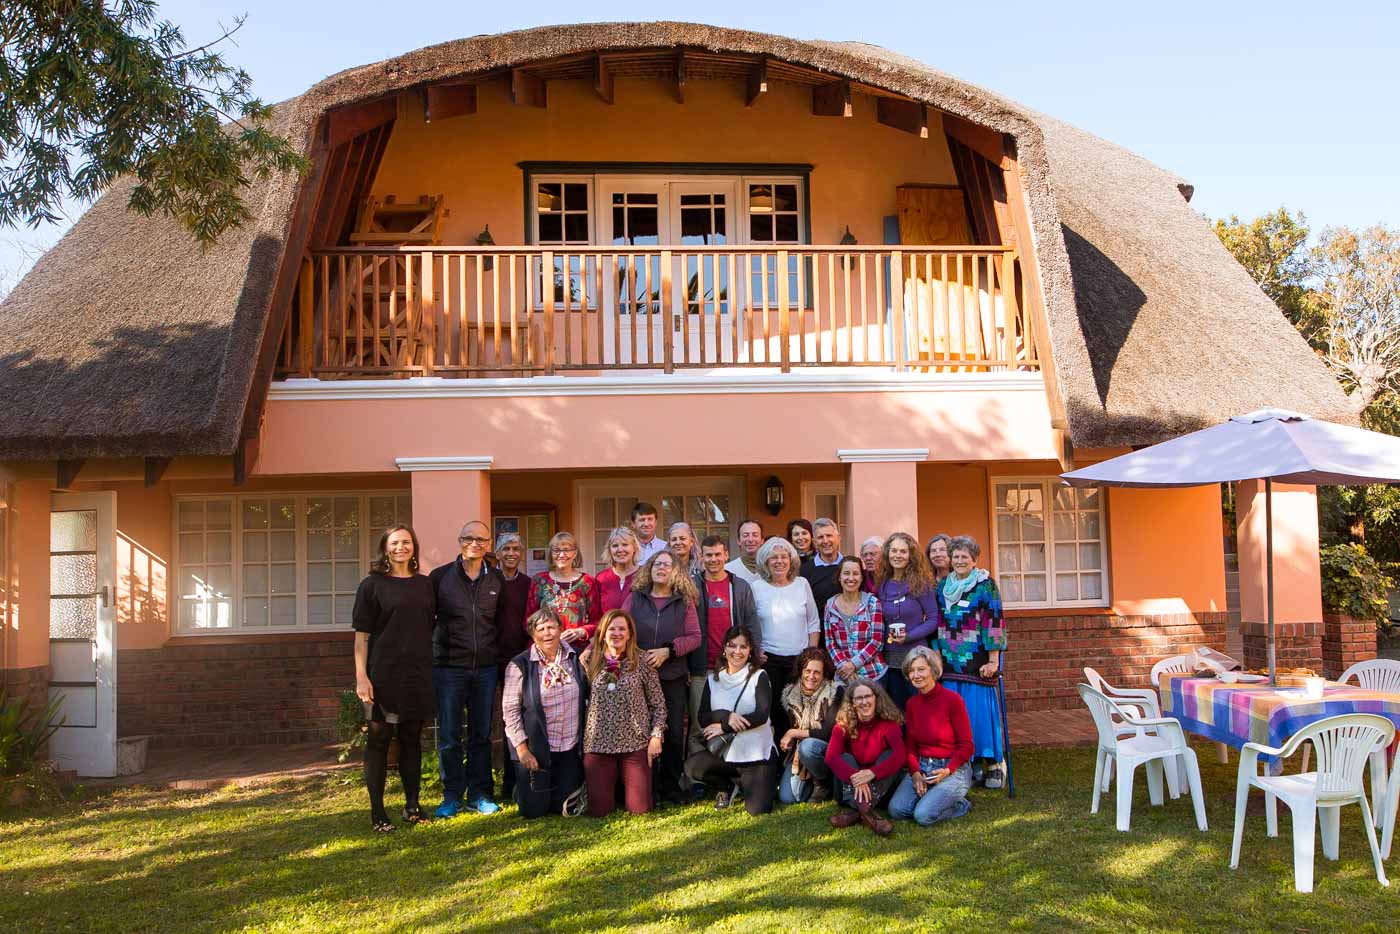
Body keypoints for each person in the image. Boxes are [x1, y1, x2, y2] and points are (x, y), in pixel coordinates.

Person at [352, 525, 436, 832]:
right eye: (395, 543)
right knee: (379, 740)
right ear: (385, 548)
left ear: (414, 547)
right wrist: (362, 677)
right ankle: (378, 812)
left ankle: (412, 806)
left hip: (418, 673)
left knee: (412, 739)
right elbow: (361, 638)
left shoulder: (426, 585)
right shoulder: (371, 585)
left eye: (407, 542)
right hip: (382, 674)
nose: (402, 547)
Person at [429, 519, 506, 818]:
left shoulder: (496, 580)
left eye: (481, 539)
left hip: (485, 669)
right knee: (449, 736)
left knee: (481, 735)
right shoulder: (440, 578)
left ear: (488, 544)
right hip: (449, 668)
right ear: (459, 541)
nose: (475, 543)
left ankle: (479, 793)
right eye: (469, 538)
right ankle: (451, 796)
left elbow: (499, 624)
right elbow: (428, 623)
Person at [623, 551, 702, 806]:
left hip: (672, 676)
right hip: (639, 677)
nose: (662, 568)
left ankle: (671, 788)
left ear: (675, 571)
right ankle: (647, 789)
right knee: (642, 732)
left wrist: (669, 650)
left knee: (675, 733)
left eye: (667, 565)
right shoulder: (636, 599)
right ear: (650, 568)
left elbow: (694, 637)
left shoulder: (685, 601)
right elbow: (619, 627)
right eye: (657, 564)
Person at [935, 535, 1008, 789]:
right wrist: (936, 657)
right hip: (950, 663)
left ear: (974, 560)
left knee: (979, 714)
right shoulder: (943, 586)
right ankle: (971, 761)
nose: (959, 560)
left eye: (965, 556)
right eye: (955, 556)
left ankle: (994, 763)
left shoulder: (985, 585)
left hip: (977, 661)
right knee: (958, 716)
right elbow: (937, 622)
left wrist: (993, 660)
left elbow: (994, 622)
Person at [503, 607, 589, 819]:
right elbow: (510, 711)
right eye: (541, 629)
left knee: (563, 807)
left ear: (561, 629)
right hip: (536, 749)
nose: (547, 633)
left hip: (569, 746)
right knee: (534, 811)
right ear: (533, 634)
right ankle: (520, 789)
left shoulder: (576, 658)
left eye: (552, 627)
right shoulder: (519, 665)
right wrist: (522, 750)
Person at [685, 625, 778, 815]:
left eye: (743, 647)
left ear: (750, 650)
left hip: (756, 754)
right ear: (724, 649)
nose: (737, 651)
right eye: (732, 646)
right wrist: (726, 716)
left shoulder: (759, 676)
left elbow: (761, 715)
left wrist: (724, 727)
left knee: (758, 809)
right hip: (727, 754)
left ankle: (750, 783)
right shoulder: (713, 680)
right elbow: (703, 717)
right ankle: (727, 786)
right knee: (692, 766)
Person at [582, 610, 666, 817]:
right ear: (602, 633)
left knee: (640, 809)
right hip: (599, 742)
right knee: (599, 810)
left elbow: (658, 704)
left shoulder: (643, 661)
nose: (616, 633)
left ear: (629, 634)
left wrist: (656, 735)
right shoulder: (589, 661)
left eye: (622, 629)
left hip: (634, 743)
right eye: (611, 629)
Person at [689, 536, 760, 769]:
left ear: (726, 555)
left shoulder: (740, 586)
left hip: (733, 667)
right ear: (701, 557)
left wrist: (754, 655)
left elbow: (751, 623)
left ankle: (730, 771)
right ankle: (697, 777)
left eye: (718, 554)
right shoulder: (692, 586)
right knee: (699, 725)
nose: (713, 560)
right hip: (701, 665)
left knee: (732, 718)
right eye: (708, 555)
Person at [889, 646, 974, 826]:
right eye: (911, 671)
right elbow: (911, 745)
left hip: (953, 769)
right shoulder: (912, 704)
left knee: (923, 816)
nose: (916, 675)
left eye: (921, 669)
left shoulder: (953, 700)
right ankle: (934, 797)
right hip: (923, 767)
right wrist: (915, 774)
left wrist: (948, 770)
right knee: (897, 810)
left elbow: (967, 746)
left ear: (933, 670)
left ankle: (960, 804)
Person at [750, 536, 820, 738]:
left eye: (783, 557)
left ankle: (798, 763)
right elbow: (751, 624)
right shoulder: (757, 587)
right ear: (765, 562)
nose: (779, 561)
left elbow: (813, 622)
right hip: (769, 660)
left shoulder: (802, 584)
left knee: (800, 713)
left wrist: (811, 656)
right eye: (774, 558)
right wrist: (757, 651)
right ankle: (779, 763)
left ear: (791, 561)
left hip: (800, 660)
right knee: (775, 714)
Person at [825, 678, 905, 836]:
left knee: (890, 755)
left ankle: (857, 813)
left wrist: (872, 773)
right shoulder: (843, 725)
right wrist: (856, 778)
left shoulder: (889, 724)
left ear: (876, 698)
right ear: (852, 703)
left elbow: (901, 755)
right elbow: (831, 757)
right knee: (845, 757)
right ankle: (868, 812)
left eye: (868, 696)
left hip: (878, 787)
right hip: (849, 788)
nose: (864, 702)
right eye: (859, 698)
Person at [876, 532, 941, 709]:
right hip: (890, 659)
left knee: (920, 709)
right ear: (887, 553)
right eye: (894, 551)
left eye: (903, 552)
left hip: (916, 659)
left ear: (911, 555)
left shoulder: (921, 583)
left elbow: (934, 619)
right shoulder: (882, 585)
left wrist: (909, 636)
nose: (898, 555)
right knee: (897, 710)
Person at [492, 531, 532, 803]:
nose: (511, 553)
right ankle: (485, 785)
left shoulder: (529, 584)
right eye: (506, 548)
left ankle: (514, 782)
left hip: (519, 660)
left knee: (516, 718)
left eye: (516, 549)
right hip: (488, 659)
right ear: (497, 553)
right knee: (489, 721)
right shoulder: (487, 581)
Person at [777, 647, 843, 804]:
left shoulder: (834, 692)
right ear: (800, 671)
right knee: (787, 798)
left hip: (827, 751)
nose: (811, 676)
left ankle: (823, 783)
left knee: (808, 746)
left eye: (817, 672)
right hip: (798, 756)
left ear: (824, 674)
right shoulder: (789, 694)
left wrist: (793, 733)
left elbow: (829, 732)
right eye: (807, 671)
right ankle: (810, 781)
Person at [524, 531, 600, 649]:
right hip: (545, 649)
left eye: (566, 550)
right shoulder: (539, 581)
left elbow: (598, 621)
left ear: (574, 553)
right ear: (551, 554)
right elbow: (528, 620)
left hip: (576, 649)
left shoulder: (587, 582)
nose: (561, 554)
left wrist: (581, 631)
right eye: (556, 550)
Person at [825, 555, 886, 683]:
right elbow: (830, 642)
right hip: (844, 676)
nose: (851, 578)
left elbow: (877, 641)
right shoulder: (830, 605)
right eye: (846, 573)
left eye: (856, 574)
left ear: (862, 577)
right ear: (839, 577)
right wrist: (844, 666)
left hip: (873, 675)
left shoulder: (872, 603)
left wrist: (853, 664)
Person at [800, 518, 845, 625]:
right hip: (819, 633)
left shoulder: (849, 566)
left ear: (838, 538)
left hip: (848, 633)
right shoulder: (805, 571)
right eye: (820, 537)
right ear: (814, 542)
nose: (825, 541)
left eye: (829, 536)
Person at [596, 526, 641, 616]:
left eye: (625, 544)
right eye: (615, 546)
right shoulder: (601, 579)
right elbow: (596, 615)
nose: (620, 550)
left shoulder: (645, 575)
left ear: (635, 548)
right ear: (609, 550)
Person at [726, 518, 764, 583]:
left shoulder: (770, 568)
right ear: (738, 541)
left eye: (755, 535)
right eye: (745, 535)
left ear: (762, 540)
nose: (750, 540)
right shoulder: (728, 570)